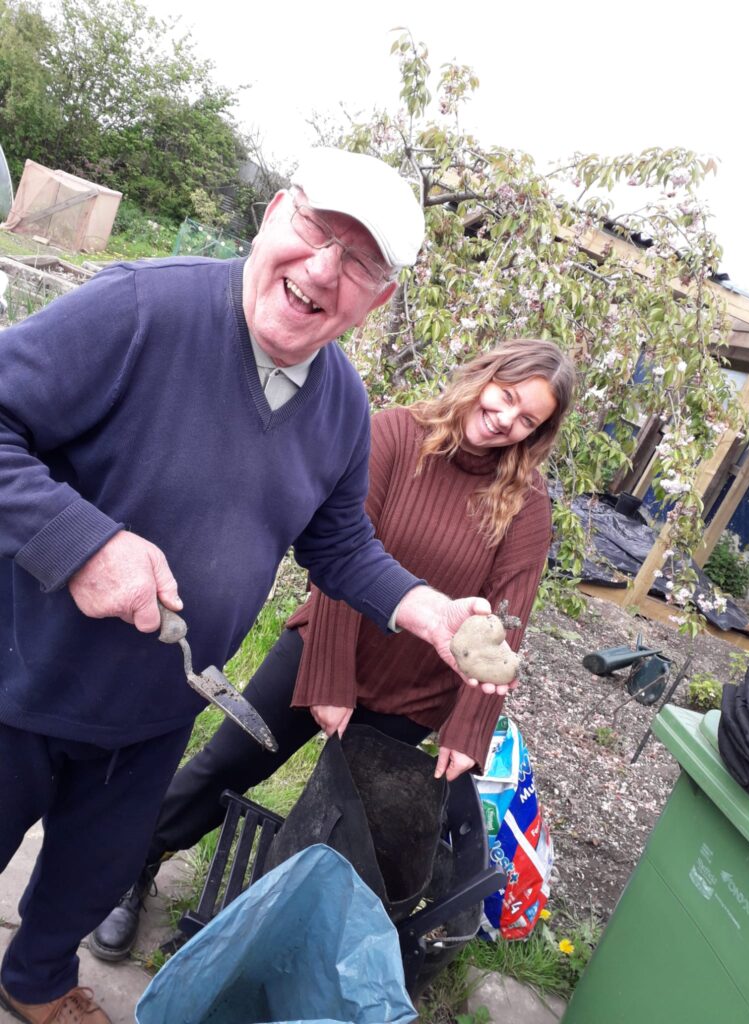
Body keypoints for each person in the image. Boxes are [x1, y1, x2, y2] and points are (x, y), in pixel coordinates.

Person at [0, 147, 499, 1024]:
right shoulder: (143, 307)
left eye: (359, 264)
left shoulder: (343, 404)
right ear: (274, 213)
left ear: (378, 300)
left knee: (92, 870)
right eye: (315, 231)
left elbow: (339, 545)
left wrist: (427, 610)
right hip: (22, 679)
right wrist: (82, 543)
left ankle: (34, 980)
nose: (321, 271)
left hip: (156, 710)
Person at [91, 338, 575, 963]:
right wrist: (329, 677)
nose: (507, 419)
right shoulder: (398, 435)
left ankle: (263, 932)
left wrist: (470, 726)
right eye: (506, 397)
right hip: (323, 646)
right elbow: (343, 554)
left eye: (528, 418)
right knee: (227, 764)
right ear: (485, 378)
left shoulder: (526, 504)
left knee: (339, 820)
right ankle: (134, 865)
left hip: (413, 693)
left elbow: (508, 622)